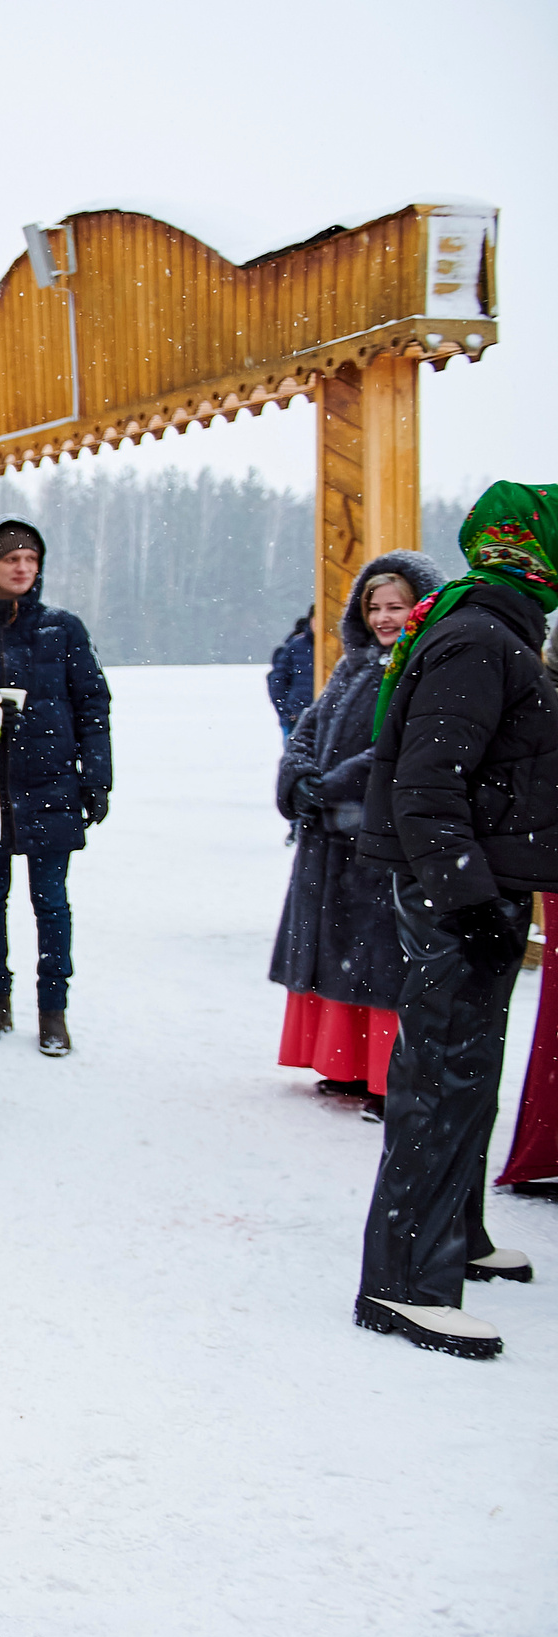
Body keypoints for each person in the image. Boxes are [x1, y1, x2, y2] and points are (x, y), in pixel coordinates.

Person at [351, 481, 558, 1361]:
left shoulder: (494, 628)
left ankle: (456, 1234)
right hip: (459, 895)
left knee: (468, 1071)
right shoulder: (479, 636)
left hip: (483, 886)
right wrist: (466, 897)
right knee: (438, 1075)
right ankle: (404, 1282)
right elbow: (427, 784)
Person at [272, 550, 441, 1121]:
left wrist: (338, 784)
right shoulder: (354, 665)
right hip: (330, 835)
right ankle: (344, 1064)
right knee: (338, 951)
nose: (386, 618)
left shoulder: (423, 667)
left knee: (380, 961)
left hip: (380, 837)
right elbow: (308, 727)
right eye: (375, 607)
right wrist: (296, 778)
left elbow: (397, 748)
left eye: (398, 606)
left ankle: (384, 1075)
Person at [0, 517, 114, 1057]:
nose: (22, 568)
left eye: (30, 559)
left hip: (50, 786)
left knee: (50, 902)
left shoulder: (63, 629)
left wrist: (96, 779)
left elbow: (94, 705)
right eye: (10, 559)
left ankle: (54, 1011)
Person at [268, 611, 314, 737]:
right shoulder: (296, 646)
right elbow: (277, 681)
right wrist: (286, 713)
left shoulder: (334, 646)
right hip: (297, 716)